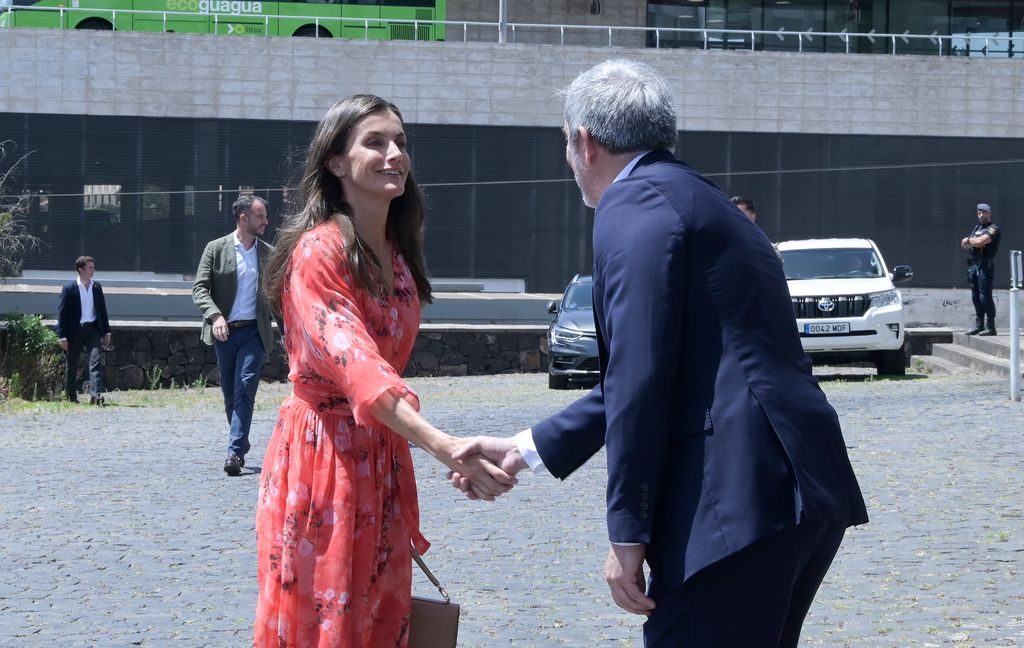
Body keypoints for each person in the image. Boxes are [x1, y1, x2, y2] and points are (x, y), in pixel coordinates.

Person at [450, 60, 868, 647]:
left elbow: (641, 378)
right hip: (793, 487)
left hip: (735, 501)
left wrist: (627, 535)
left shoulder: (635, 204)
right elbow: (661, 369)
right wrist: (526, 449)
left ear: (584, 143)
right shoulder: (704, 201)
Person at [252, 94, 515, 647]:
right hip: (325, 458)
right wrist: (445, 445)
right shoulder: (317, 253)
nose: (395, 153)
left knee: (378, 617)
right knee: (329, 619)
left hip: (381, 454)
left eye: (400, 142)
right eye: (375, 142)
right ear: (335, 162)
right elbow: (361, 371)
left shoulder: (396, 251)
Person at [192, 194, 276, 476]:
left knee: (245, 387)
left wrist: (293, 334)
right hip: (225, 333)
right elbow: (199, 289)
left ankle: (234, 453)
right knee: (230, 394)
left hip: (255, 332)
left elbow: (279, 298)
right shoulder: (215, 249)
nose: (266, 221)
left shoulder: (268, 253)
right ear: (244, 218)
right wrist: (215, 316)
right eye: (260, 216)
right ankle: (240, 437)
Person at [56, 255, 111, 405]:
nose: (94, 270)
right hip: (75, 331)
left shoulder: (96, 287)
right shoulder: (69, 288)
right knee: (72, 364)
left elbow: (102, 310)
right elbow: (62, 314)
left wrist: (107, 331)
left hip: (93, 330)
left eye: (93, 267)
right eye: (90, 267)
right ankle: (71, 395)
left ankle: (95, 395)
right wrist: (62, 336)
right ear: (81, 270)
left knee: (95, 360)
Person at [961, 202, 1001, 336]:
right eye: (979, 212)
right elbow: (963, 244)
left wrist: (971, 240)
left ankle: (991, 327)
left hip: (985, 265)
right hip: (974, 266)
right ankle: (979, 325)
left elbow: (979, 242)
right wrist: (973, 240)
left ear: (989, 213)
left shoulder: (993, 228)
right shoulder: (977, 228)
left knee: (985, 296)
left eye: (983, 212)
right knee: (975, 296)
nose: (981, 215)